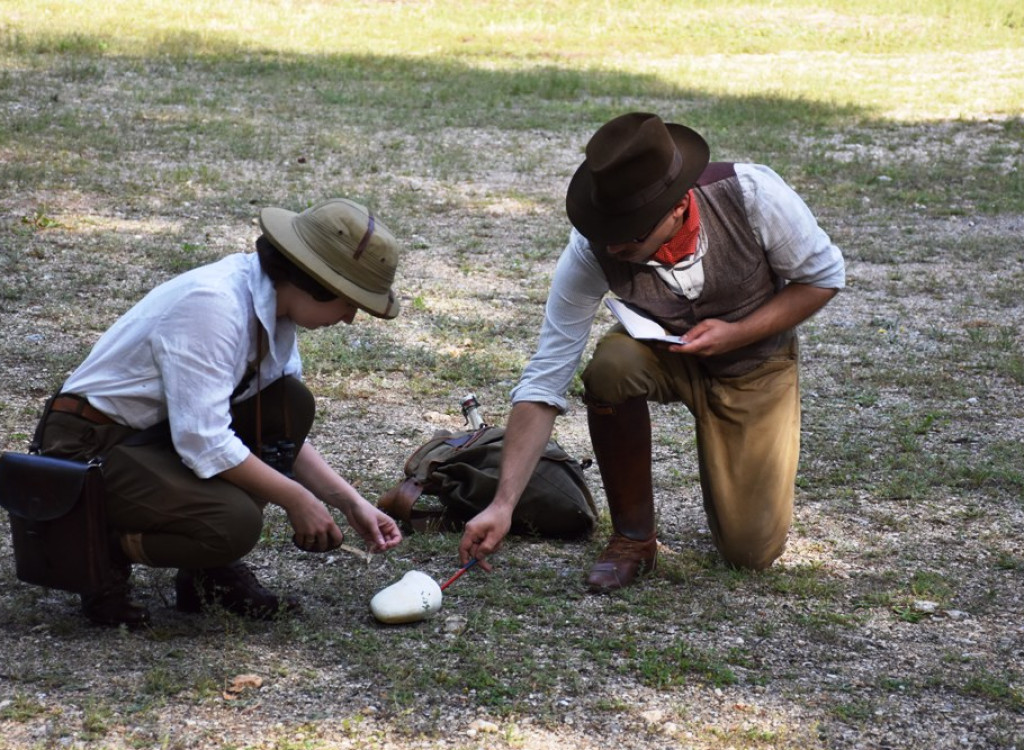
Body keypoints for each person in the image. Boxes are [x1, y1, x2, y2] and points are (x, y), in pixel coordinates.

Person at [458, 112, 845, 591]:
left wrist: (737, 333)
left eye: (633, 231)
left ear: (680, 206)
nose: (614, 245)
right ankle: (633, 539)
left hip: (753, 365)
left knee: (751, 553)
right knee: (610, 368)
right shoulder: (593, 248)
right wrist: (503, 505)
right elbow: (545, 378)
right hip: (662, 354)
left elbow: (824, 278)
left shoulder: (754, 195)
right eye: (607, 230)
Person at [34, 198, 404, 627]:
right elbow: (204, 441)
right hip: (89, 446)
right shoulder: (213, 305)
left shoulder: (276, 311)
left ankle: (208, 575)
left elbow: (276, 434)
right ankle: (100, 550)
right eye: (348, 301)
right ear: (312, 281)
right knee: (232, 523)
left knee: (288, 405)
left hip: (154, 438)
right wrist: (296, 498)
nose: (350, 318)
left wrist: (348, 502)